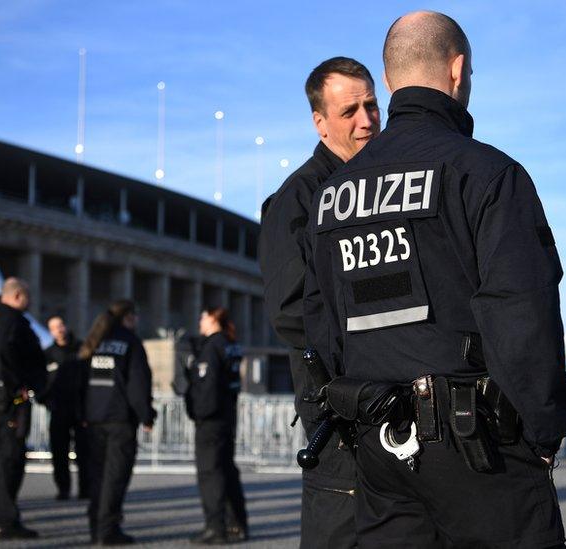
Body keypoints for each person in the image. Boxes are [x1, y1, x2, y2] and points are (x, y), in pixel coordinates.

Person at [303, 11, 566, 546]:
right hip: (480, 449)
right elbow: (521, 312)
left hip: (380, 449)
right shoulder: (487, 173)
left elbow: (323, 323)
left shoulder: (333, 196)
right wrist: (545, 428)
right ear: (457, 70)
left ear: (387, 80)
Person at [258, 55, 380, 548]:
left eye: (372, 105)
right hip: (339, 408)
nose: (367, 120)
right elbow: (291, 311)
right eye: (350, 111)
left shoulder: (381, 186)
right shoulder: (298, 199)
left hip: (388, 399)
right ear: (320, 121)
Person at [0, 278, 47, 539]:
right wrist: (14, 388)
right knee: (9, 460)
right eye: (27, 297)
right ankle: (6, 521)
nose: (29, 303)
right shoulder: (12, 320)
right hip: (9, 401)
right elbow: (7, 355)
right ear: (17, 296)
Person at [81, 299, 156, 545]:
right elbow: (138, 384)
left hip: (93, 420)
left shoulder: (95, 340)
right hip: (119, 421)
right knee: (115, 477)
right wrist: (146, 415)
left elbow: (83, 381)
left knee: (97, 477)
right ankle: (108, 530)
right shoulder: (130, 343)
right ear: (129, 317)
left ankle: (95, 528)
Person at [184, 308, 248, 544]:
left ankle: (215, 528)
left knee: (210, 474)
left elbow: (207, 386)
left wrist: (198, 413)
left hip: (211, 420)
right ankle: (237, 524)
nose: (199, 321)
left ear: (212, 319)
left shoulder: (213, 346)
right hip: (226, 417)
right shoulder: (230, 344)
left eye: (202, 317)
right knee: (227, 471)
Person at [42, 315, 88, 500]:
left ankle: (86, 488)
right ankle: (63, 488)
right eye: (54, 327)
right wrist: (46, 401)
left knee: (84, 452)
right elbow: (41, 383)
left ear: (66, 326)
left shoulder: (81, 349)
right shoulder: (48, 354)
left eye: (60, 325)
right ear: (51, 331)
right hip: (58, 409)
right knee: (59, 452)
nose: (59, 329)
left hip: (80, 409)